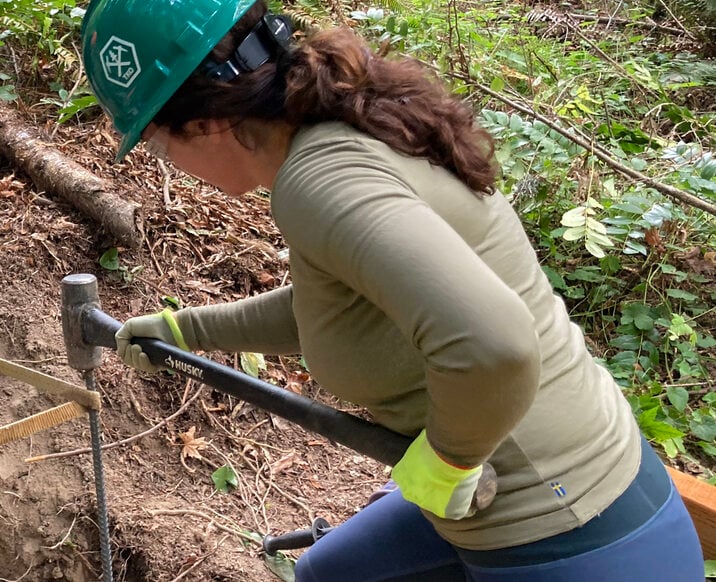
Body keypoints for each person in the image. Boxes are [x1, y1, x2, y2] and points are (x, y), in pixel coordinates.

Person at [81, 1, 705, 580]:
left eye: (159, 143)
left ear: (208, 120)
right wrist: (187, 329)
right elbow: (337, 311)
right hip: (546, 497)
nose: (165, 160)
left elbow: (496, 345)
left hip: (565, 534)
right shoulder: (337, 136)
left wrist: (450, 458)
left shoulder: (321, 182)